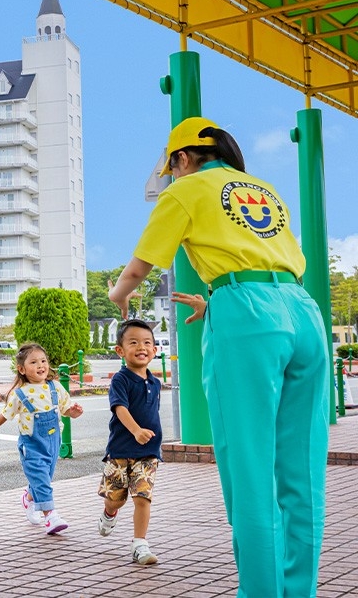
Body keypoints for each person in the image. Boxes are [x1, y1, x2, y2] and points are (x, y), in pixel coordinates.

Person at [108, 117, 329, 597]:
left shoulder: (185, 190)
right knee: (303, 470)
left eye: (172, 169)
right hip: (303, 312)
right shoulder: (261, 187)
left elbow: (140, 266)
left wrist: (118, 294)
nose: (171, 178)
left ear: (182, 159)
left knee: (249, 467)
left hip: (244, 313)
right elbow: (263, 263)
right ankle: (300, 591)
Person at [0, 343, 84, 534]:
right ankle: (51, 516)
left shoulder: (54, 387)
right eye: (34, 362)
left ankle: (29, 498)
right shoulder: (19, 394)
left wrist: (74, 412)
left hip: (54, 442)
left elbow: (66, 409)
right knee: (42, 480)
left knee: (43, 478)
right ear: (22, 369)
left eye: (43, 361)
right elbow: (5, 414)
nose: (41, 365)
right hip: (31, 445)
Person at [97, 319, 162, 566]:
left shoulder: (155, 382)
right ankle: (109, 512)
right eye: (133, 342)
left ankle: (140, 544)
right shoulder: (120, 380)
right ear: (120, 350)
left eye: (147, 343)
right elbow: (120, 409)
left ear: (155, 350)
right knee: (117, 499)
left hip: (148, 452)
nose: (141, 347)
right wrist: (135, 431)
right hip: (120, 451)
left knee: (142, 497)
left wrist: (148, 437)